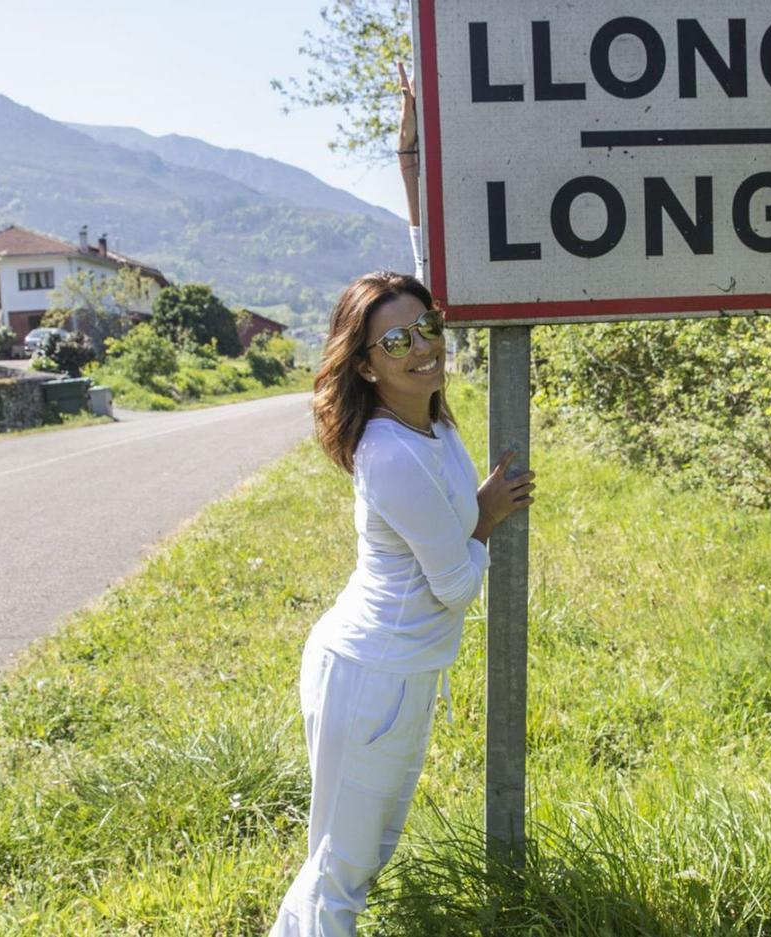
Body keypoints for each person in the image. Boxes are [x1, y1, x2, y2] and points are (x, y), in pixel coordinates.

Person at [269, 63, 536, 937]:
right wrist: (489, 514)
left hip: (401, 672)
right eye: (397, 340)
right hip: (373, 673)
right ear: (365, 360)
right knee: (341, 874)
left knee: (356, 855)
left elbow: (427, 244)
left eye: (428, 330)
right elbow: (456, 584)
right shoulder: (388, 449)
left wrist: (413, 133)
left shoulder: (426, 416)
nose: (422, 346)